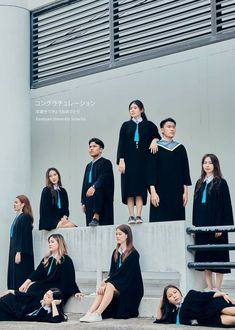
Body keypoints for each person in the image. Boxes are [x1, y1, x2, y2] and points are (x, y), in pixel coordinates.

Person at [80, 224, 144, 323]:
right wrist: (105, 281)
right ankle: (90, 312)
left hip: (131, 287)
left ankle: (98, 314)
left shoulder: (134, 254)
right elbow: (113, 272)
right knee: (104, 286)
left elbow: (125, 274)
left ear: (127, 236)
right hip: (119, 283)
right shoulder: (116, 252)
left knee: (108, 285)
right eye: (116, 234)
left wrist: (107, 282)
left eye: (120, 234)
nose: (117, 236)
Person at [192, 154, 234, 291]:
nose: (207, 165)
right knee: (205, 257)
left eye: (210, 162)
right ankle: (209, 286)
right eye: (205, 163)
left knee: (218, 256)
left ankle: (218, 287)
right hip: (202, 226)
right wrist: (195, 228)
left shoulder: (221, 183)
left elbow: (226, 206)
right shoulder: (199, 183)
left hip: (217, 225)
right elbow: (195, 207)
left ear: (215, 165)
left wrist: (222, 227)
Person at [117, 100, 161, 224]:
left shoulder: (149, 125)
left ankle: (139, 215)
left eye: (135, 108)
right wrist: (121, 160)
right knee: (129, 189)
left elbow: (157, 136)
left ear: (141, 110)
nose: (132, 110)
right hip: (128, 162)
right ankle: (131, 216)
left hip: (143, 162)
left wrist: (155, 140)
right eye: (131, 108)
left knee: (140, 189)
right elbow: (121, 144)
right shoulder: (125, 125)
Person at [148, 117, 191, 221]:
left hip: (177, 192)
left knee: (177, 221)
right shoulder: (155, 147)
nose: (172, 129)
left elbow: (185, 171)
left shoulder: (180, 148)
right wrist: (152, 192)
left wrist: (185, 192)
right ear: (162, 130)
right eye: (169, 127)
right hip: (160, 192)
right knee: (159, 222)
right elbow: (150, 171)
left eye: (173, 127)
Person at [19, 234, 83, 303]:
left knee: (41, 293)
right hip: (46, 285)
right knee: (33, 287)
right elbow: (37, 272)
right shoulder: (47, 259)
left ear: (59, 243)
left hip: (57, 287)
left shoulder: (65, 259)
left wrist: (76, 291)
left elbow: (70, 278)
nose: (50, 244)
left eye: (52, 242)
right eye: (49, 242)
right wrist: (26, 283)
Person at [155, 284, 235, 327]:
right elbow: (159, 319)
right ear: (168, 301)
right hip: (211, 319)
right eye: (170, 296)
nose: (174, 296)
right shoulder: (176, 315)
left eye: (175, 292)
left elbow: (205, 295)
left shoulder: (190, 295)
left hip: (215, 305)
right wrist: (161, 301)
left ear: (179, 292)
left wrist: (223, 294)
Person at [81, 138, 114, 226]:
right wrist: (83, 201)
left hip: (103, 200)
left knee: (103, 226)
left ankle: (96, 216)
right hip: (90, 200)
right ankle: (94, 217)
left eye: (94, 146)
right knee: (90, 226)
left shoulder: (106, 162)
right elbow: (84, 184)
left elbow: (103, 178)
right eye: (90, 147)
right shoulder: (88, 166)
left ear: (101, 149)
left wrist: (94, 187)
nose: (91, 148)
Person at [7, 195, 34, 290]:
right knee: (13, 275)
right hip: (14, 249)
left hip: (20, 251)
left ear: (23, 204)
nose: (14, 204)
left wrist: (18, 252)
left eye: (16, 202)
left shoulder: (25, 218)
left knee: (19, 276)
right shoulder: (18, 217)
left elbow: (23, 236)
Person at [0, 287, 66, 323]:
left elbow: (56, 319)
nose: (45, 297)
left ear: (54, 300)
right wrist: (11, 291)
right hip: (13, 305)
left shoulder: (48, 313)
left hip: (14, 315)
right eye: (46, 294)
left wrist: (54, 304)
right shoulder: (39, 297)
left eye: (49, 297)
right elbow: (26, 296)